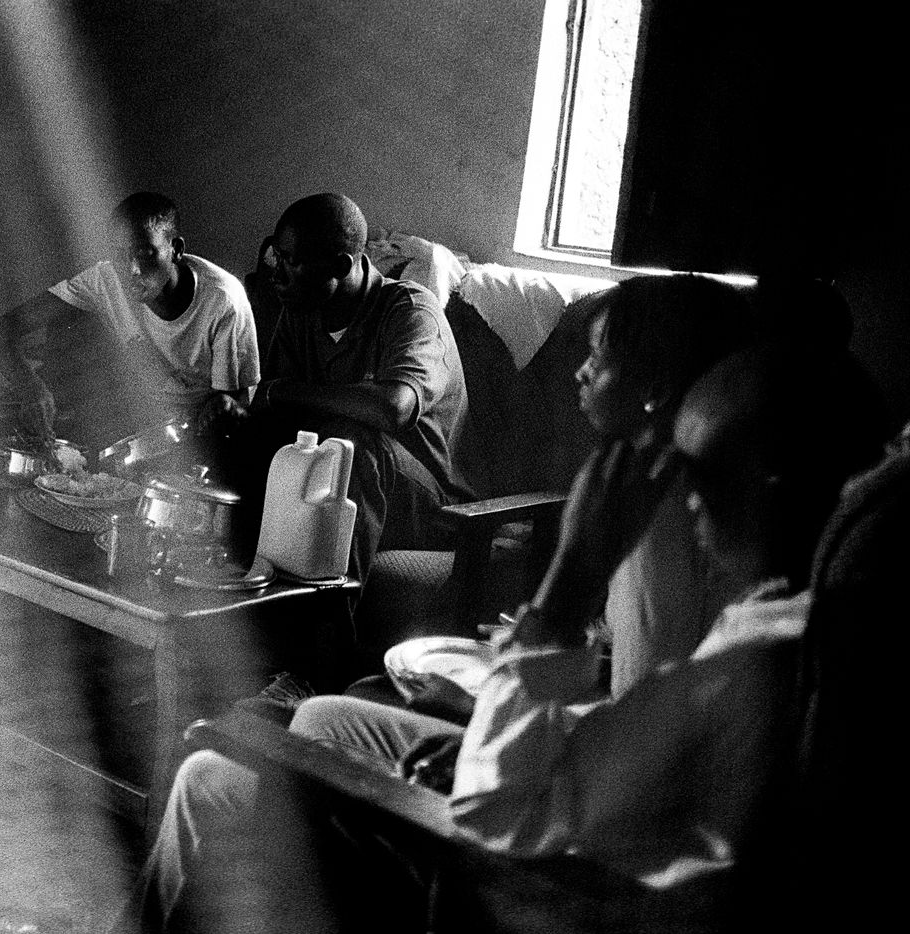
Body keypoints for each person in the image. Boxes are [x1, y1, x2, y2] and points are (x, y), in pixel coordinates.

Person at [119, 341, 882, 933]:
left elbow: (496, 822)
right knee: (321, 714)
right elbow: (641, 742)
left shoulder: (758, 661)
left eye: (703, 479)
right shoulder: (794, 612)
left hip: (525, 886)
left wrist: (569, 584)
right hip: (575, 813)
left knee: (209, 771)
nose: (686, 504)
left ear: (767, 486)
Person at [221, 192, 471, 592]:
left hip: (427, 505)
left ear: (340, 265)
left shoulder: (410, 310)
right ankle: (228, 596)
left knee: (347, 449)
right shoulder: (301, 310)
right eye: (275, 258)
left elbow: (394, 408)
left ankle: (327, 619)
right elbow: (280, 414)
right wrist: (239, 416)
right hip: (341, 484)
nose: (276, 274)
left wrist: (283, 391)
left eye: (291, 261)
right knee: (244, 438)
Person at [570, 275, 756, 695]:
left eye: (596, 358)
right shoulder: (709, 482)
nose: (580, 373)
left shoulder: (657, 503)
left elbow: (641, 695)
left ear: (655, 389)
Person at [0, 191, 259, 443]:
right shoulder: (104, 278)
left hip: (204, 435)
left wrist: (224, 409)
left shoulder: (223, 300)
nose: (132, 269)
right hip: (141, 426)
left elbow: (235, 404)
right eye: (119, 255)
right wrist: (30, 387)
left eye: (144, 253)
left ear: (176, 249)